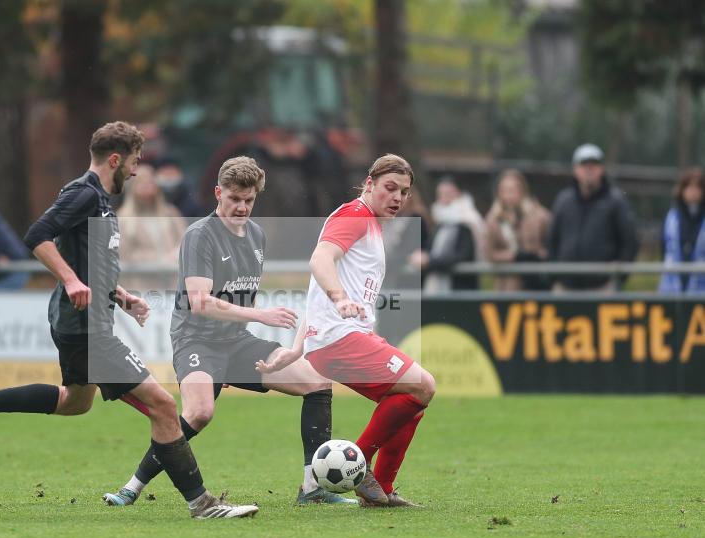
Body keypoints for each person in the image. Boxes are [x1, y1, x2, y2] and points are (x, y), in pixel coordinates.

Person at [0, 122, 258, 520]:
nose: (136, 171)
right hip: (86, 327)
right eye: (134, 162)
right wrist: (68, 280)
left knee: (74, 402)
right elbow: (38, 235)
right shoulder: (84, 193)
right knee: (164, 406)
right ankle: (201, 504)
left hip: (83, 320)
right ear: (115, 159)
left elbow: (86, 258)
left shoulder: (98, 199)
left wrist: (119, 296)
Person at [103, 156, 356, 507]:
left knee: (317, 384)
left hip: (236, 344)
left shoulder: (256, 235)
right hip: (196, 341)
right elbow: (201, 302)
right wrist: (260, 315)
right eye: (234, 199)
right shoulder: (199, 236)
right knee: (199, 414)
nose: (241, 207)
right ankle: (132, 487)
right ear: (218, 193)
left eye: (248, 200)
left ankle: (312, 487)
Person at [263, 154, 436, 508]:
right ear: (369, 184)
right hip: (340, 338)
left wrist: (300, 345)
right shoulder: (355, 214)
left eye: (403, 192)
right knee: (423, 384)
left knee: (410, 402)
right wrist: (339, 299)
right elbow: (319, 261)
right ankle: (360, 464)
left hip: (336, 337)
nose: (397, 198)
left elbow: (314, 289)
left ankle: (380, 491)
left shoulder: (371, 224)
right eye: (390, 188)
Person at [548, 143, 639, 291]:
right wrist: (554, 276)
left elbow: (630, 242)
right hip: (565, 286)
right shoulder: (564, 201)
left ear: (601, 169)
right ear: (575, 170)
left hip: (603, 287)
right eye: (584, 165)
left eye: (594, 165)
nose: (589, 170)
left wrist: (618, 277)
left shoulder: (616, 201)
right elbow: (552, 240)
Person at [116, 164, 187, 292]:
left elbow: (186, 241)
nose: (146, 187)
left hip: (172, 284)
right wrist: (158, 258)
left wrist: (176, 254)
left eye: (149, 182)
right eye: (141, 183)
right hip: (141, 288)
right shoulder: (123, 219)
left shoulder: (170, 213)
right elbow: (123, 254)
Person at [410, 176, 484, 292]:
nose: (444, 198)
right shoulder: (441, 223)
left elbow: (462, 255)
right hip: (437, 284)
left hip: (460, 287)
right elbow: (431, 248)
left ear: (458, 194)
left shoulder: (467, 222)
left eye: (448, 193)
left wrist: (429, 261)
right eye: (440, 194)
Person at [485, 169, 551, 291]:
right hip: (508, 284)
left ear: (522, 191)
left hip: (536, 281)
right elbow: (489, 253)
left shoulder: (540, 215)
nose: (509, 195)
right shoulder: (494, 219)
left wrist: (539, 254)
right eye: (505, 191)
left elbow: (551, 243)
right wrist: (515, 256)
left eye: (512, 190)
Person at [659, 168, 705, 293]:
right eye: (689, 187)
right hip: (672, 287)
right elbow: (664, 249)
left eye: (697, 187)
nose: (693, 192)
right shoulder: (671, 218)